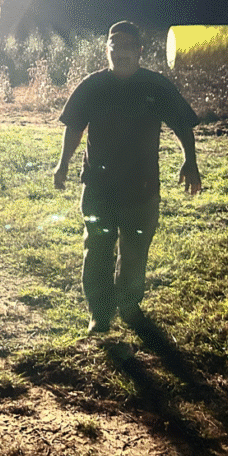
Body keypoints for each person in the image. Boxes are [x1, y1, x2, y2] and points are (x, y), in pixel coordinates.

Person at [53, 20, 202, 334]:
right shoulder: (93, 86)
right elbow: (74, 128)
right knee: (97, 249)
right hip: (98, 187)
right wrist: (63, 164)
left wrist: (190, 161)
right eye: (114, 46)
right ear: (106, 50)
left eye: (127, 46)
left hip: (141, 189)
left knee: (135, 252)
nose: (120, 52)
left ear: (139, 51)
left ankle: (129, 305)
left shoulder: (156, 86)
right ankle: (100, 314)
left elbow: (182, 125)